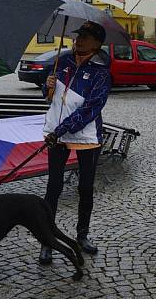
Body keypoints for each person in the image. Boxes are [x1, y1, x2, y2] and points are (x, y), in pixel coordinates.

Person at [40, 22, 111, 264]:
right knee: (53, 187)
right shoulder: (63, 61)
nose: (79, 40)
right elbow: (51, 97)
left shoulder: (101, 71)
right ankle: (47, 240)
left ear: (97, 43)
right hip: (56, 135)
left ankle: (82, 235)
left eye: (86, 37)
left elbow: (91, 109)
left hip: (86, 136)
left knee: (85, 188)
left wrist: (62, 129)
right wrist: (46, 86)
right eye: (79, 35)